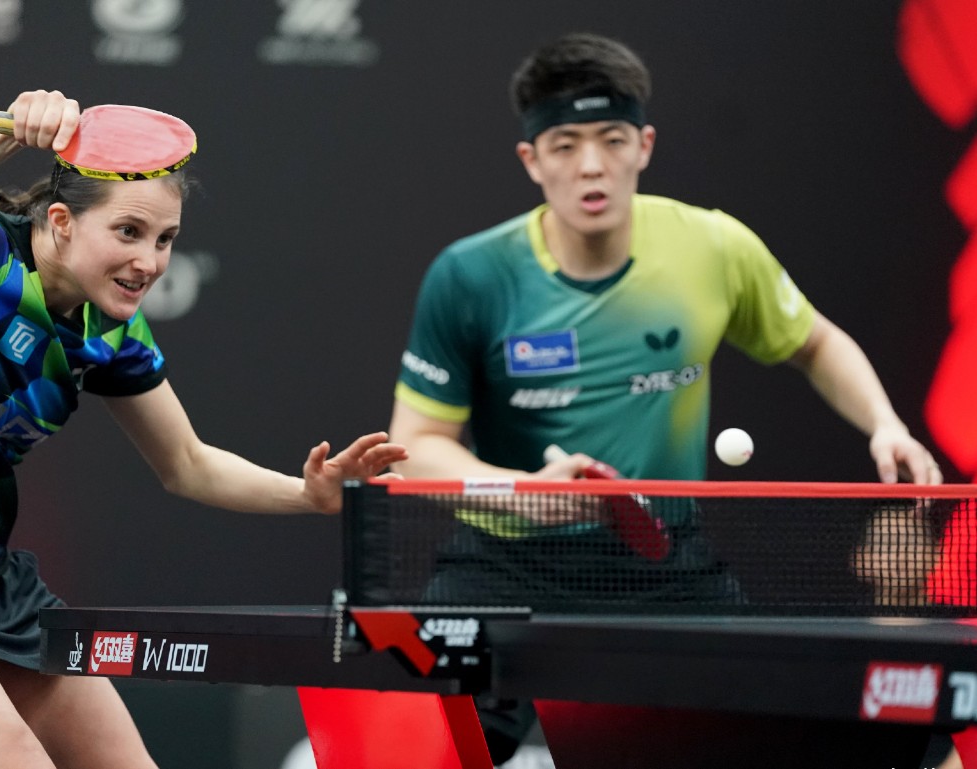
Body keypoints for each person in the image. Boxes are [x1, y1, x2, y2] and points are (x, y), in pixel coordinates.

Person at [0, 89, 407, 769]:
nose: (151, 261)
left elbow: (187, 463)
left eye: (165, 239)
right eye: (129, 232)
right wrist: (6, 133)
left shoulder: (111, 331)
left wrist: (307, 493)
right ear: (61, 222)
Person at [386, 32, 941, 764]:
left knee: (776, 740)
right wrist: (523, 493)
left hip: (661, 563)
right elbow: (415, 446)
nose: (591, 165)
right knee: (413, 752)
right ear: (531, 160)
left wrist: (884, 423)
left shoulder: (712, 248)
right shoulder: (471, 276)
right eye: (564, 145)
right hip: (501, 566)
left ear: (643, 146)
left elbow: (814, 341)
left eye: (612, 140)